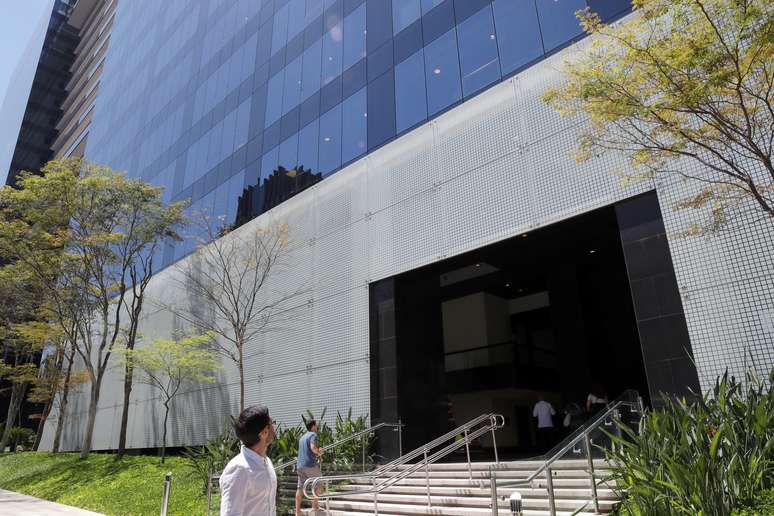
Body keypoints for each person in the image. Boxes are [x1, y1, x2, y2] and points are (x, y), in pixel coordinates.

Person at [219, 405, 277, 516]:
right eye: (271, 424)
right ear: (264, 432)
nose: (274, 428)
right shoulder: (239, 469)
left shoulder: (267, 462)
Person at [295, 419, 324, 516]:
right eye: (316, 425)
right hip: (309, 465)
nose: (317, 427)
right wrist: (319, 452)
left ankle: (297, 512)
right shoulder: (313, 435)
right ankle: (314, 507)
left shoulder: (302, 437)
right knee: (319, 483)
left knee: (300, 488)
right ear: (313, 426)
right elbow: (312, 448)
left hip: (300, 465)